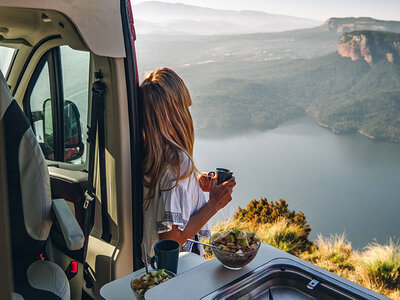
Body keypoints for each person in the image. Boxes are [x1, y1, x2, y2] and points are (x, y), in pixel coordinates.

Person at [140, 67, 236, 255]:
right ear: (175, 114)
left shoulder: (151, 155)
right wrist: (213, 204)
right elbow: (171, 242)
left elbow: (168, 199)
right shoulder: (177, 164)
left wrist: (195, 182)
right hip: (180, 270)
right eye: (185, 107)